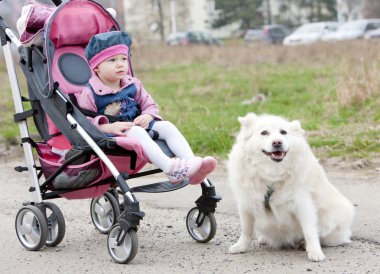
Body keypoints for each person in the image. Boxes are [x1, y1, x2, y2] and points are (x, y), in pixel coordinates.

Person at [76, 31, 217, 184]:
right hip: (114, 134)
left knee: (167, 126)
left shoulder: (132, 84)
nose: (120, 64)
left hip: (139, 124)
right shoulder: (90, 93)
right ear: (96, 68)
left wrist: (148, 116)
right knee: (135, 131)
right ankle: (170, 169)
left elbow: (150, 104)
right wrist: (107, 128)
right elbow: (85, 122)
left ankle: (192, 165)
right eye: (112, 60)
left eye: (124, 58)